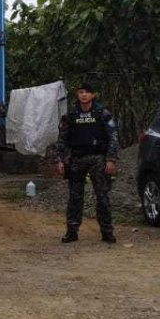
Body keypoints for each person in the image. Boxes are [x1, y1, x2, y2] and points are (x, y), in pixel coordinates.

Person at [53, 83, 120, 244]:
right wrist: (59, 160)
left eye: (87, 92)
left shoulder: (102, 113)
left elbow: (113, 137)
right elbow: (62, 139)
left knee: (102, 196)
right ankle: (72, 232)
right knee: (75, 197)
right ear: (77, 95)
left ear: (92, 95)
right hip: (77, 159)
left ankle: (107, 232)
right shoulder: (71, 115)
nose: (84, 95)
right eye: (81, 92)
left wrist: (111, 159)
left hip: (98, 159)